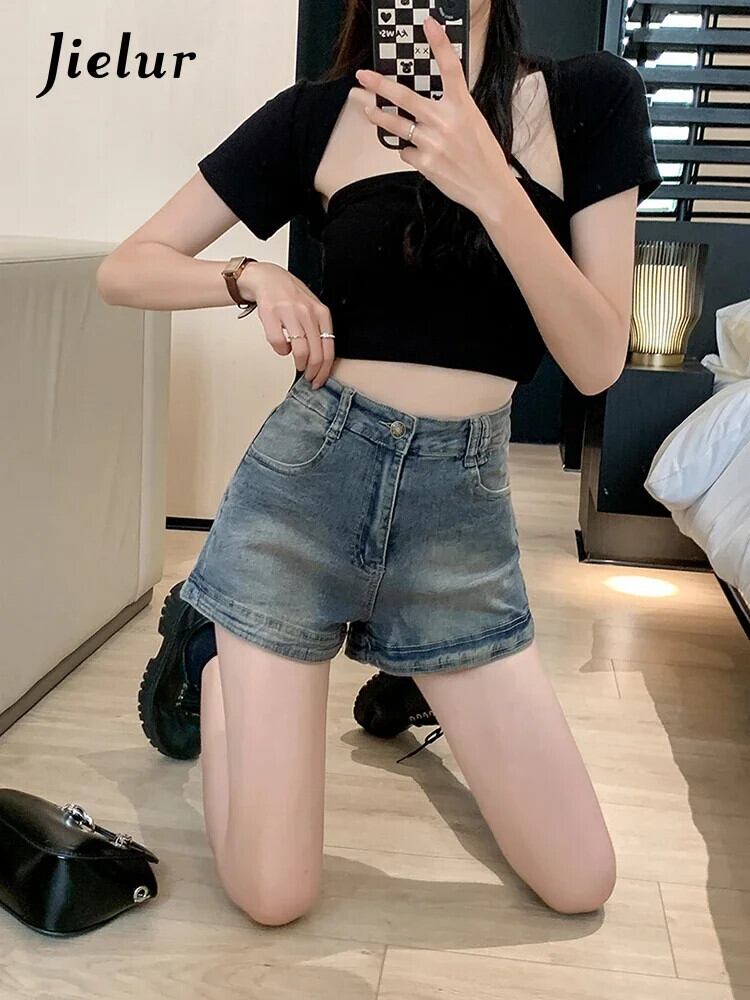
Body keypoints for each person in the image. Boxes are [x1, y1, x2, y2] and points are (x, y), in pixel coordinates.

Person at [96, 0, 662, 925]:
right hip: (304, 496)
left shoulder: (588, 98)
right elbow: (125, 269)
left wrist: (492, 184)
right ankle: (216, 644)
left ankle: (364, 659)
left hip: (458, 525)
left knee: (580, 881)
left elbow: (597, 361)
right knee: (275, 896)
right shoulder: (319, 115)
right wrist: (250, 276)